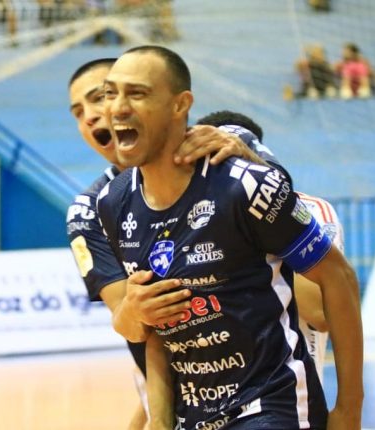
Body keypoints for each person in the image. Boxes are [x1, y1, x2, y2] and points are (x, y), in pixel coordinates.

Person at [97, 45, 363, 429]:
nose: (118, 107)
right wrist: (158, 419)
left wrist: (349, 409)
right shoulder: (114, 202)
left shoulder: (245, 186)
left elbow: (339, 279)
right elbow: (151, 330)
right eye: (110, 93)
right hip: (194, 415)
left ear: (180, 105)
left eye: (136, 93)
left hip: (273, 406)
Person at [67, 59, 274, 430]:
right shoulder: (92, 208)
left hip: (269, 382)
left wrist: (245, 152)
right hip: (180, 389)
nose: (94, 116)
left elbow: (290, 204)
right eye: (78, 112)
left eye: (103, 96)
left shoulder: (221, 143)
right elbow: (135, 326)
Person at [196, 110, 346, 384]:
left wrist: (259, 226)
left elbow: (320, 312)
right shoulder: (187, 221)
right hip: (207, 399)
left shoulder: (311, 209)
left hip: (289, 396)